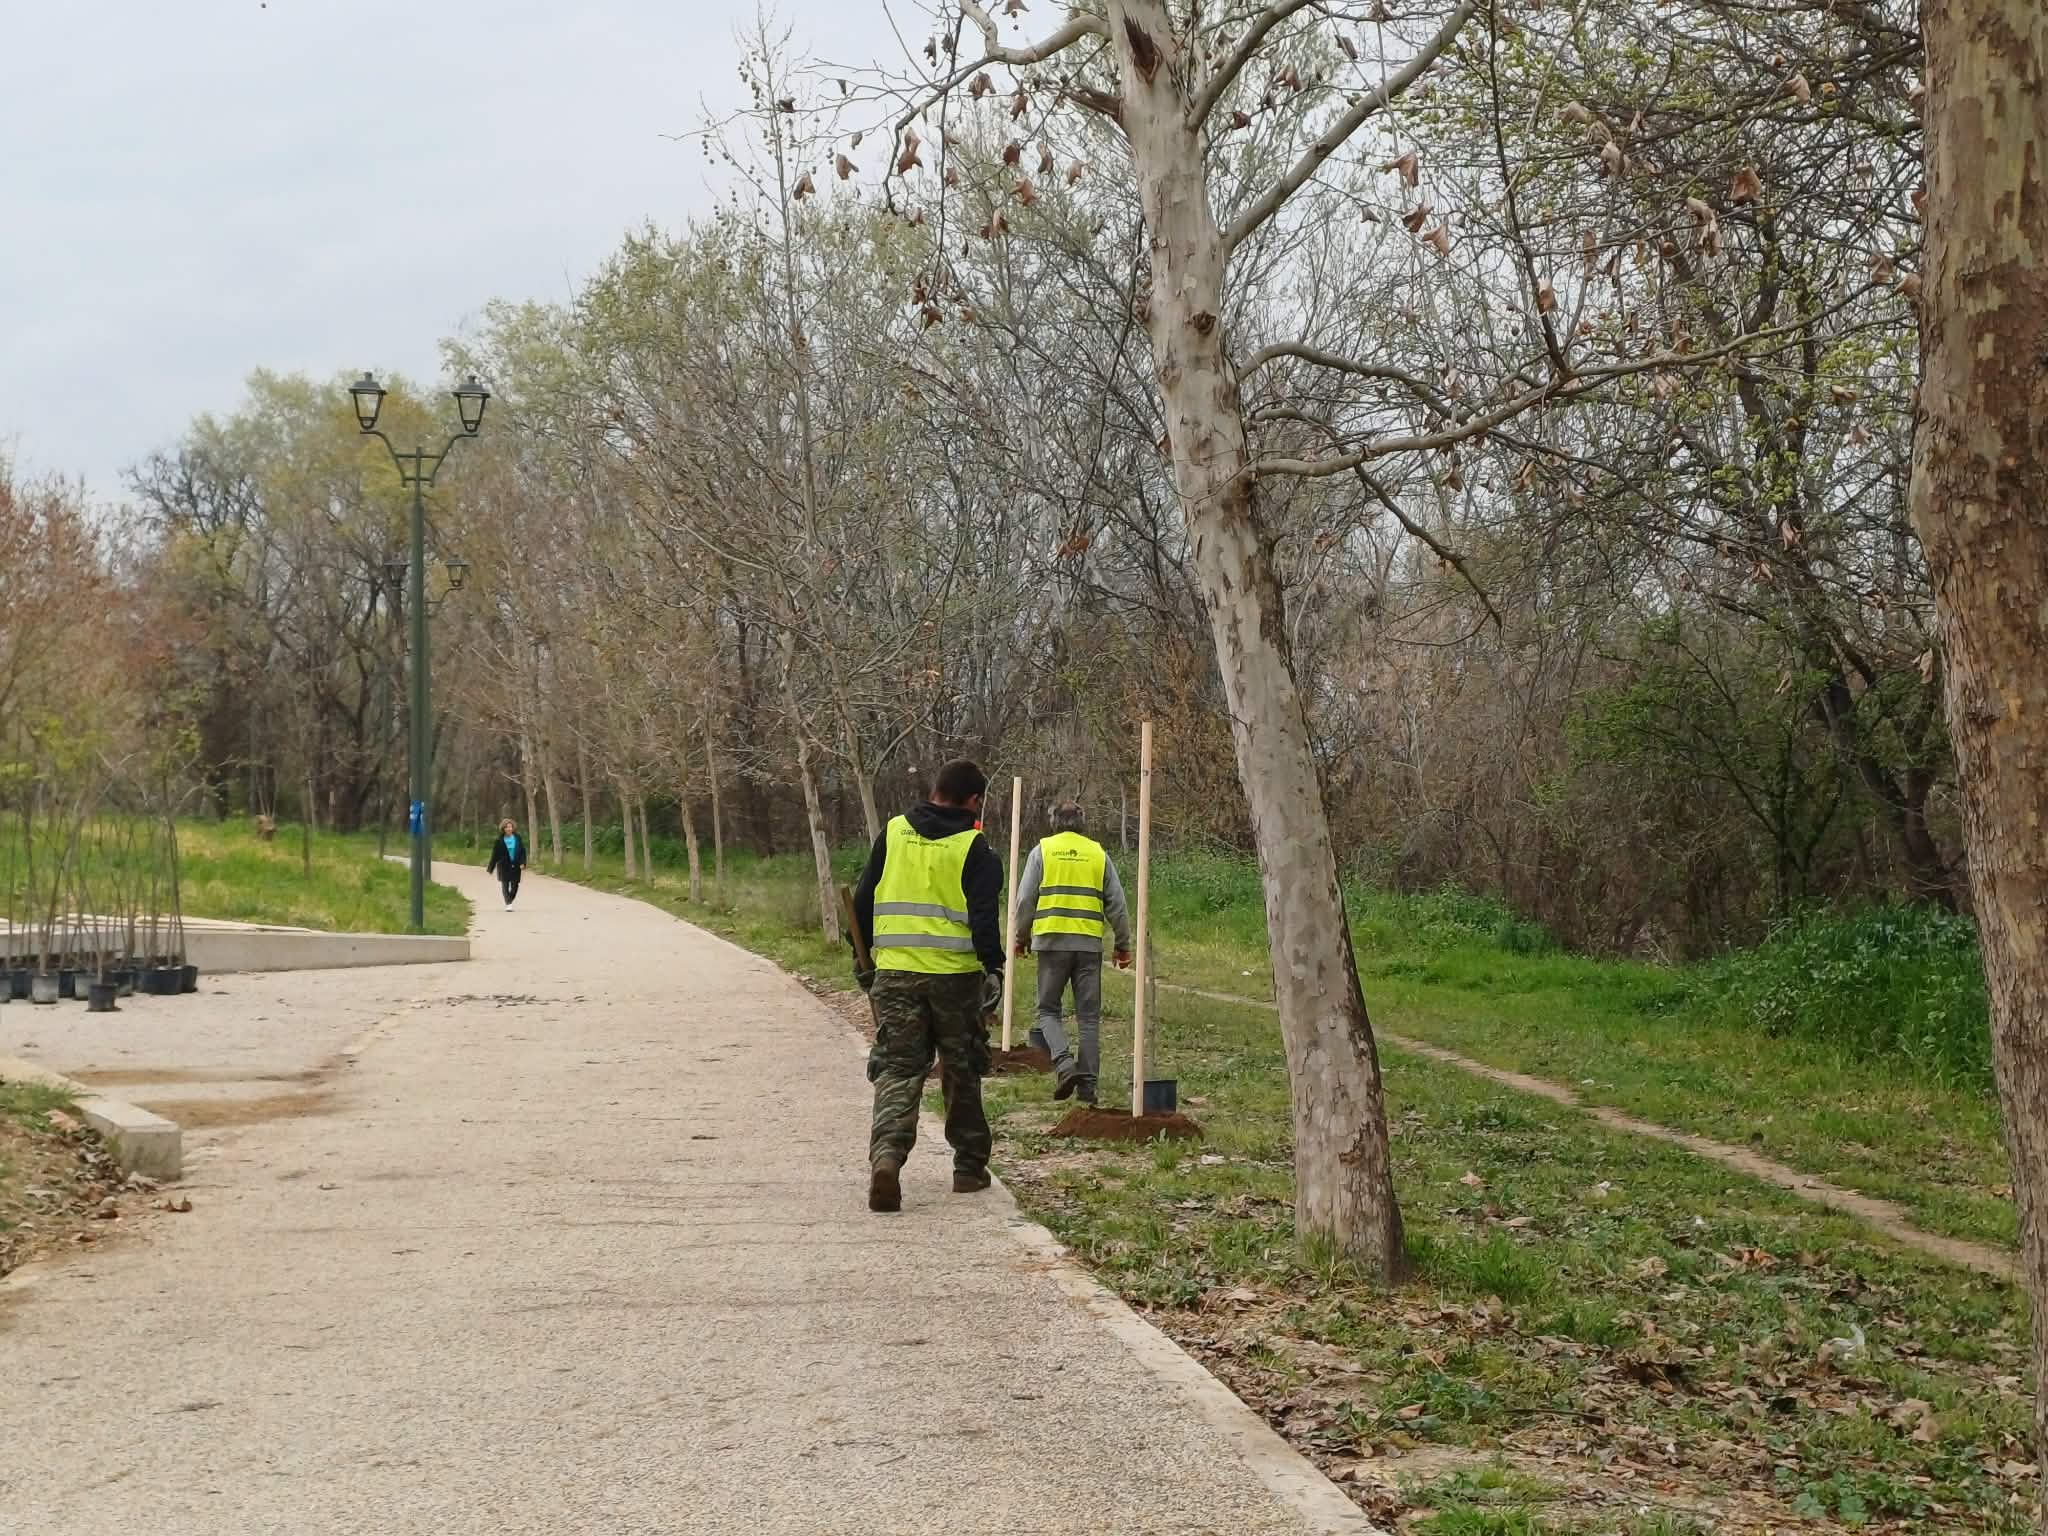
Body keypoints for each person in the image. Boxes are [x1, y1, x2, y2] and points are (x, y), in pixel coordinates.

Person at [852, 759, 1005, 1213]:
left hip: (895, 976)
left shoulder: (894, 832)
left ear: (935, 790)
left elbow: (863, 899)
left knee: (899, 1069)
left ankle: (887, 1158)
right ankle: (968, 1168)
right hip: (956, 983)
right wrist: (992, 969)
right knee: (961, 1069)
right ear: (974, 801)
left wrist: (862, 960)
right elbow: (982, 920)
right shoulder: (975, 849)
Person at [1013, 800, 1132, 1104]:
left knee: (1048, 1010)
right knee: (1089, 1018)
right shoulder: (1098, 854)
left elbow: (1026, 899)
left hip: (1052, 943)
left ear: (1053, 821)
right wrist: (1122, 944)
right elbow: (1117, 905)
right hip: (1088, 945)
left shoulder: (1043, 851)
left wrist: (1020, 936)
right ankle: (1088, 1090)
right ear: (1083, 822)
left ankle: (1065, 1064)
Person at [486, 818, 527, 910]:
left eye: (510, 827)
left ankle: (510, 899)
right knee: (505, 885)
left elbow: (522, 851)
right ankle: (508, 903)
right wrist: (490, 868)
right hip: (503, 865)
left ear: (513, 828)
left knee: (515, 885)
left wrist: (523, 862)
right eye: (507, 827)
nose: (509, 829)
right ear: (503, 829)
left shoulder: (517, 838)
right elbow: (495, 855)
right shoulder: (499, 840)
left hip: (516, 865)